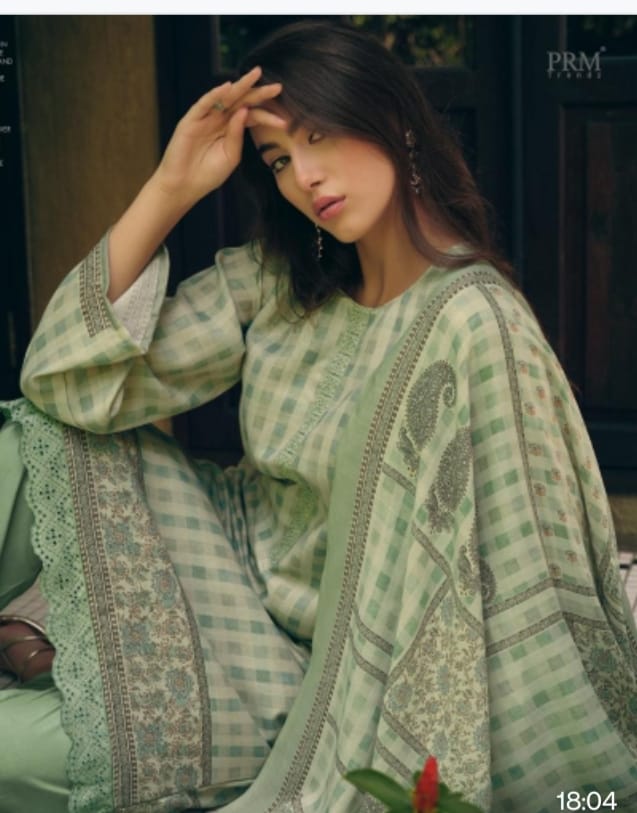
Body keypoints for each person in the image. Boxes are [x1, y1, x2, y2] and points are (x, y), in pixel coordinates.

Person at [1, 19, 636, 813]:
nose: (305, 176)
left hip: (306, 664)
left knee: (11, 756)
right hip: (217, 558)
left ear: (394, 122)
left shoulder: (474, 323)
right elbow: (59, 379)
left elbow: (518, 574)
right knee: (15, 440)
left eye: (318, 135)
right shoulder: (282, 282)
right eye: (276, 160)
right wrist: (171, 185)